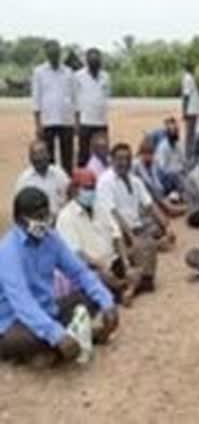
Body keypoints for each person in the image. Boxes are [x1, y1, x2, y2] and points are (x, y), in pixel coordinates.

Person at [0, 187, 118, 366]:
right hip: (14, 321)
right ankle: (64, 343)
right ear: (19, 220)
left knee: (97, 286)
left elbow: (79, 272)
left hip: (48, 309)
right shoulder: (8, 252)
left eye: (45, 215)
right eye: (37, 218)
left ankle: (54, 349)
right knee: (27, 338)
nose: (43, 222)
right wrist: (56, 334)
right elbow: (22, 302)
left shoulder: (51, 238)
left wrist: (107, 303)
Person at [56, 169, 151, 305]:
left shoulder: (100, 206)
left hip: (113, 261)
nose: (91, 192)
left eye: (93, 188)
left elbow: (116, 236)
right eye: (87, 188)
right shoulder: (65, 217)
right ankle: (128, 288)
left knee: (146, 247)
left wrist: (126, 264)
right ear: (75, 189)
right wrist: (101, 266)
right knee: (96, 278)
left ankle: (126, 288)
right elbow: (76, 253)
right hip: (91, 267)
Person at [96, 143, 174, 261]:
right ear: (111, 160)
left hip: (137, 226)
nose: (124, 162)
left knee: (159, 226)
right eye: (120, 159)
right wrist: (132, 238)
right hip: (119, 230)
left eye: (127, 158)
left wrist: (167, 227)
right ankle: (144, 246)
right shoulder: (105, 181)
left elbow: (150, 205)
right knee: (124, 238)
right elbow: (113, 213)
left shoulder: (134, 180)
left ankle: (148, 243)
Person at [32, 40, 77, 174]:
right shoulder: (39, 72)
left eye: (56, 52)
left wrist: (76, 121)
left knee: (67, 156)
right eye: (51, 52)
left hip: (66, 120)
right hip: (47, 120)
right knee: (48, 156)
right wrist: (38, 124)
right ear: (46, 54)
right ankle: (50, 182)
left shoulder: (68, 72)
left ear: (60, 53)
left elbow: (74, 97)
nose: (54, 55)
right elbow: (36, 98)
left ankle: (67, 182)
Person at [133, 137, 187, 218]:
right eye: (146, 154)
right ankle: (168, 208)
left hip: (154, 191)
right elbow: (145, 182)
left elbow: (157, 178)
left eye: (150, 154)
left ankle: (171, 203)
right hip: (139, 192)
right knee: (149, 187)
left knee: (172, 176)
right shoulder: (136, 165)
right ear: (141, 154)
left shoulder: (154, 162)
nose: (148, 156)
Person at [74, 48, 110, 168]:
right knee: (84, 154)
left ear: (100, 61)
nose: (95, 61)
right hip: (85, 122)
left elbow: (105, 97)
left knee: (102, 153)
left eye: (97, 59)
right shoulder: (78, 76)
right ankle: (83, 178)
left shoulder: (105, 76)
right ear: (87, 61)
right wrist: (77, 122)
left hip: (101, 122)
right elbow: (75, 101)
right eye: (92, 59)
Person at [15, 140, 70, 217]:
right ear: (30, 158)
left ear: (49, 155)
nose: (39, 157)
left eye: (42, 153)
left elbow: (69, 196)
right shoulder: (24, 180)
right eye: (35, 154)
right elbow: (19, 208)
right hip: (35, 222)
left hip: (59, 221)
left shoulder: (59, 174)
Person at [181, 61, 199, 160]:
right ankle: (188, 155)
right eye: (194, 68)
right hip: (190, 110)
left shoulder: (190, 78)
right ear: (190, 68)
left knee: (191, 133)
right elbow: (186, 96)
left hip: (193, 109)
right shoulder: (188, 78)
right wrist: (184, 111)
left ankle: (190, 153)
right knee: (189, 134)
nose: (195, 70)